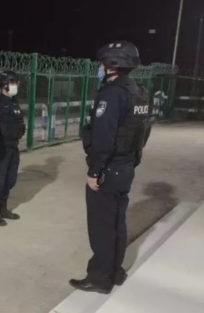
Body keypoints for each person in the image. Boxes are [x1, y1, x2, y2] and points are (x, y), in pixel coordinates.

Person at [70, 41, 152, 294]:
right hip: (126, 166)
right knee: (117, 222)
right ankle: (115, 271)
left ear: (112, 64)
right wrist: (133, 159)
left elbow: (104, 137)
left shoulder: (112, 93)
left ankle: (99, 278)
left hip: (109, 169)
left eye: (102, 62)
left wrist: (95, 171)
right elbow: (143, 131)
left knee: (102, 226)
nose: (100, 67)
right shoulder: (138, 91)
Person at [0, 70, 26, 226]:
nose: (17, 85)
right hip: (1, 148)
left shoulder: (14, 103)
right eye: (14, 82)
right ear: (4, 85)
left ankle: (4, 207)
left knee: (10, 179)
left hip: (13, 147)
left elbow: (21, 125)